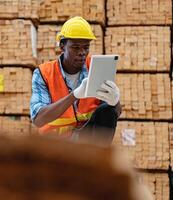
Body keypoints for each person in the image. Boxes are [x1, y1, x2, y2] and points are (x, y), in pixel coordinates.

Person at [30, 16, 121, 145]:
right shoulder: (44, 73)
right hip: (55, 145)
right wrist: (74, 96)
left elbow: (114, 114)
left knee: (108, 109)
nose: (82, 52)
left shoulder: (95, 68)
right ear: (62, 46)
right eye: (76, 48)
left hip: (87, 142)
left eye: (86, 47)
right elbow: (38, 119)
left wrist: (115, 102)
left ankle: (96, 159)